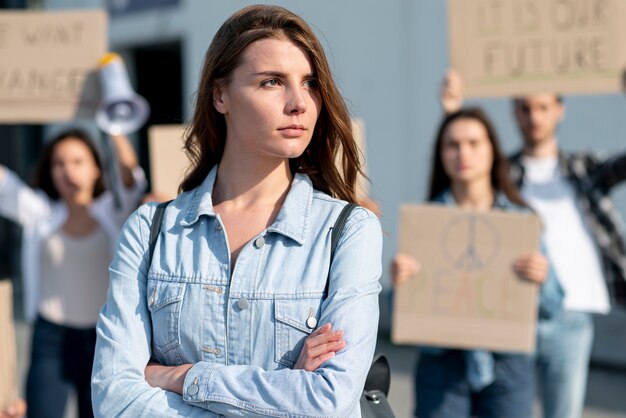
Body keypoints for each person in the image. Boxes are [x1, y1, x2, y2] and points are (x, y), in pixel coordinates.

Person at [91, 5, 382, 417]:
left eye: (310, 83)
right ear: (220, 94)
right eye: (271, 82)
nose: (299, 102)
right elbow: (114, 400)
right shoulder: (150, 230)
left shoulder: (348, 231)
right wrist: (283, 395)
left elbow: (328, 401)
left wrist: (183, 377)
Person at [442, 69, 626, 418]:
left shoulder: (583, 169)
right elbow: (462, 172)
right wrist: (453, 112)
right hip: (513, 315)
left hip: (571, 317)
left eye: (543, 107)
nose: (534, 117)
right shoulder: (502, 174)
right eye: (525, 108)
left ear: (560, 110)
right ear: (514, 112)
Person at [392, 107, 562, 418]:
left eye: (473, 143)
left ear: (492, 151)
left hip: (508, 364)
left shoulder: (520, 222)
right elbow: (399, 314)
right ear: (441, 154)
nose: (462, 153)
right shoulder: (424, 226)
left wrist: (543, 278)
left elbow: (554, 306)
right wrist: (401, 282)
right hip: (441, 365)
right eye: (452, 145)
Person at [0, 129, 146, 418]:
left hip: (104, 340)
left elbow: (132, 177)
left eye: (77, 161)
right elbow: (5, 185)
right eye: (59, 163)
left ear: (95, 169)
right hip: (50, 339)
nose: (68, 171)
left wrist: (114, 123)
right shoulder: (40, 213)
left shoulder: (114, 211)